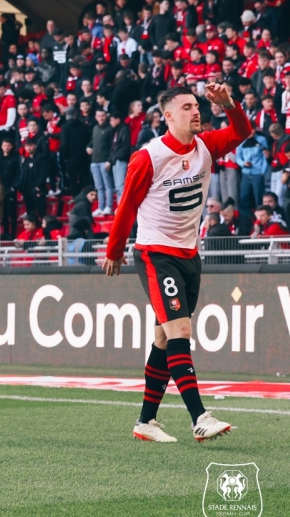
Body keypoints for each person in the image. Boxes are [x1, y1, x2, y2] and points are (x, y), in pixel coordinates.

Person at [103, 84, 249, 443]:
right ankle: (199, 417)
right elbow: (126, 207)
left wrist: (229, 104)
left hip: (189, 255)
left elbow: (243, 132)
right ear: (168, 116)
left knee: (164, 338)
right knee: (180, 331)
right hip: (156, 253)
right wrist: (114, 249)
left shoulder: (206, 146)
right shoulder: (148, 157)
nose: (195, 111)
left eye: (197, 105)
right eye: (186, 107)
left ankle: (145, 422)